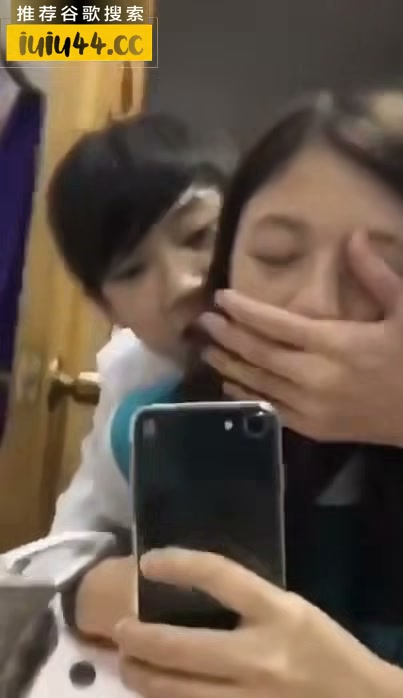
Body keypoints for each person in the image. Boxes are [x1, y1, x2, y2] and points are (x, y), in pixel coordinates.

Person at [115, 92, 403, 698]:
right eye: (276, 255)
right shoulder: (160, 419)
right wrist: (104, 586)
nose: (314, 302)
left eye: (380, 269)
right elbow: (70, 567)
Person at [26, 112, 231, 641]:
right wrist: (81, 589)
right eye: (133, 270)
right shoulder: (132, 384)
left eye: (199, 235)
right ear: (105, 306)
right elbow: (79, 533)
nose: (182, 284)